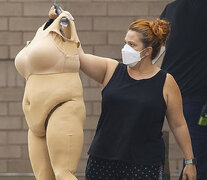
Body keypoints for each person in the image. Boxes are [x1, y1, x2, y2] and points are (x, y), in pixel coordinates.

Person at [49, 6, 196, 180]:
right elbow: (79, 55)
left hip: (144, 165)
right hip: (102, 160)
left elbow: (179, 125)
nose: (126, 48)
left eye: (132, 45)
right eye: (125, 42)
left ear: (147, 51)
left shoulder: (166, 82)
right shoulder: (111, 69)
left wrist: (189, 161)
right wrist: (65, 23)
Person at [15, 9, 86, 180]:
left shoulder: (65, 22)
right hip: (33, 118)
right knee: (43, 177)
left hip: (62, 107)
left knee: (63, 173)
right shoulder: (41, 32)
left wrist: (62, 17)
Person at [160, 0, 207, 179]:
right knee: (198, 161)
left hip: (174, 92)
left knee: (196, 157)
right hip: (198, 98)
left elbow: (158, 47)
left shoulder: (171, 9)